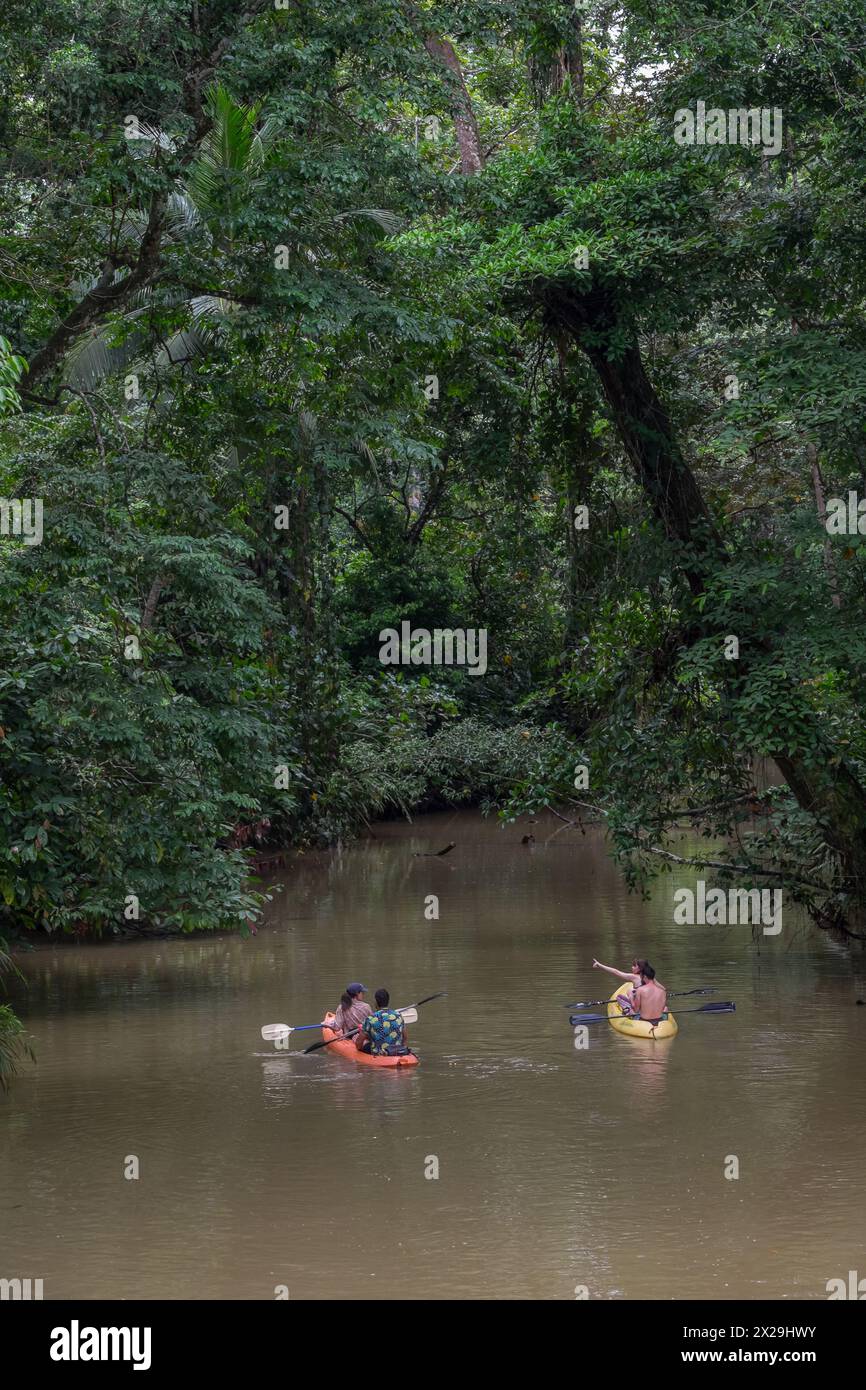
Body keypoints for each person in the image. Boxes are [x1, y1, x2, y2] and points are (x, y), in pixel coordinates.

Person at [355, 988, 408, 1056]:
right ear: (388, 1001)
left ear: (376, 1002)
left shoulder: (370, 1019)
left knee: (365, 1043)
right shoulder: (398, 1016)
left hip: (378, 1054)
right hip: (397, 1051)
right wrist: (403, 1048)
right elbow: (405, 1038)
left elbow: (358, 1044)